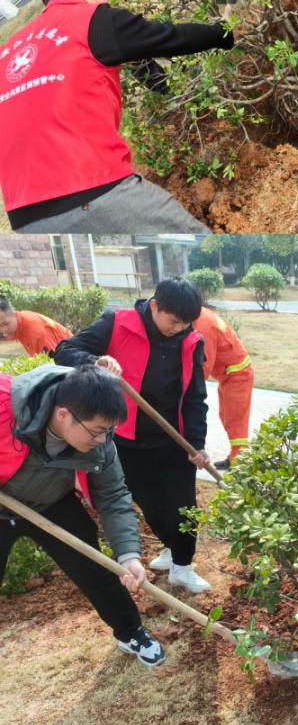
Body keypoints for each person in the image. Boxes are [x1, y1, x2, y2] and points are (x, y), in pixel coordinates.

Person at [0, 0, 234, 232]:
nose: (107, 5)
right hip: (90, 187)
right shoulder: (91, 19)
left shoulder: (7, 51)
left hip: (24, 217)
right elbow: (168, 37)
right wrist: (223, 33)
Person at [55, 278, 214, 595]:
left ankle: (182, 567)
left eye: (185, 323)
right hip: (127, 440)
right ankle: (171, 547)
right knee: (149, 503)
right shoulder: (117, 323)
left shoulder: (191, 341)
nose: (179, 328)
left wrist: (196, 443)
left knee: (183, 504)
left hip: (173, 438)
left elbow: (196, 396)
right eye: (174, 321)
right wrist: (96, 363)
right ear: (154, 306)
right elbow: (64, 350)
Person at [0, 364, 165, 665]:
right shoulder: (7, 408)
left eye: (108, 430)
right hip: (3, 503)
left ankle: (131, 632)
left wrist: (128, 555)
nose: (102, 440)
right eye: (97, 431)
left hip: (53, 502)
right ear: (64, 415)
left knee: (95, 569)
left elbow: (113, 496)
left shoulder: (100, 443)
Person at [193, 307, 254, 471]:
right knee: (226, 416)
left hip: (237, 376)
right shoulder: (201, 315)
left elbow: (204, 366)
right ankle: (235, 456)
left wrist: (190, 388)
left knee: (236, 421)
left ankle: (239, 464)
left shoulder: (204, 326)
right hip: (229, 375)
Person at [0, 299, 70, 357]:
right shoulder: (20, 323)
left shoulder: (35, 331)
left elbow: (51, 363)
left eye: (6, 324)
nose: (3, 330)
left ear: (14, 314)